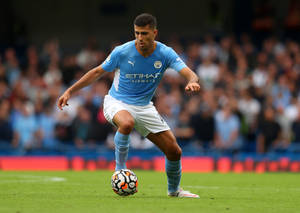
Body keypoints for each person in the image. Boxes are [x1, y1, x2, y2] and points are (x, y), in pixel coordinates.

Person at [57, 13, 200, 198]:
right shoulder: (122, 51)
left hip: (144, 107)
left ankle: (174, 191)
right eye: (137, 33)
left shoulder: (165, 53)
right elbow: (97, 72)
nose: (140, 38)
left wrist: (192, 82)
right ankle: (120, 170)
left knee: (174, 151)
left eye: (144, 34)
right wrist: (70, 91)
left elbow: (190, 74)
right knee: (126, 123)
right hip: (116, 102)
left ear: (154, 33)